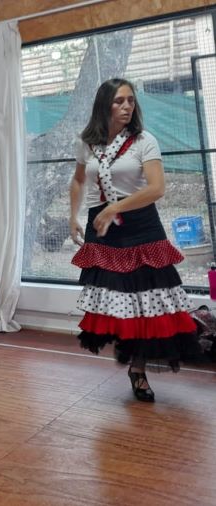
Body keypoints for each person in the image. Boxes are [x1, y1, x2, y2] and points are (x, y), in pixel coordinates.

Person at [69, 78, 198, 402]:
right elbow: (78, 180)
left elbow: (156, 189)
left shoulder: (145, 141)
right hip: (104, 229)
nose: (127, 106)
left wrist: (116, 206)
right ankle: (132, 358)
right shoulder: (88, 143)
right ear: (104, 106)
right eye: (119, 101)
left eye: (130, 100)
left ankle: (138, 369)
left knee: (147, 301)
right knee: (120, 302)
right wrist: (73, 216)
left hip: (141, 226)